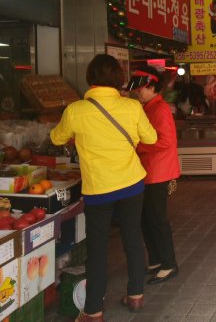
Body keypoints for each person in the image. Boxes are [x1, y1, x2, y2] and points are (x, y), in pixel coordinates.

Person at [50, 54, 157, 322]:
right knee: (132, 238)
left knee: (97, 249)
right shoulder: (132, 107)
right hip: (132, 185)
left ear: (90, 79)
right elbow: (151, 138)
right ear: (119, 79)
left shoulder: (76, 110)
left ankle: (94, 310)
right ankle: (135, 295)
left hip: (98, 189)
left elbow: (56, 137)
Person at [126, 66, 180, 285]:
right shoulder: (149, 107)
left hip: (159, 172)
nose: (138, 93)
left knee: (157, 220)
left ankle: (169, 264)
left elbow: (165, 141)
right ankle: (157, 260)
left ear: (153, 87)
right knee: (146, 219)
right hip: (150, 171)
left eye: (141, 89)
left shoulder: (159, 109)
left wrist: (138, 147)